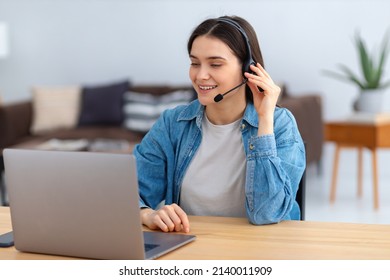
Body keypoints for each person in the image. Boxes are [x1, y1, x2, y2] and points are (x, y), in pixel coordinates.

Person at [134, 15, 306, 233]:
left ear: (248, 69)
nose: (200, 75)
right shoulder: (173, 124)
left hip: (261, 251)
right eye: (194, 63)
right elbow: (130, 192)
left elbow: (267, 213)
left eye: (215, 64)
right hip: (192, 248)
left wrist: (264, 121)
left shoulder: (280, 125)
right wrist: (147, 213)